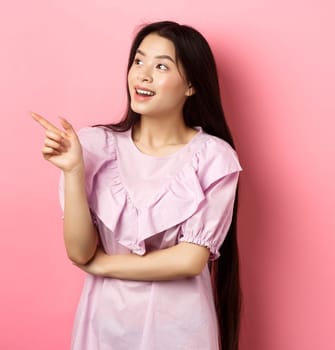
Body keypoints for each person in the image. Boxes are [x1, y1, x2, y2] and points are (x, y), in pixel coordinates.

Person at [31, 21, 242, 350]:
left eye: (161, 66)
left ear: (191, 85)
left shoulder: (214, 158)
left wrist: (103, 265)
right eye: (138, 61)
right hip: (104, 323)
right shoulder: (92, 147)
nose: (142, 75)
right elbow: (79, 251)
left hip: (180, 328)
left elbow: (189, 260)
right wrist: (74, 170)